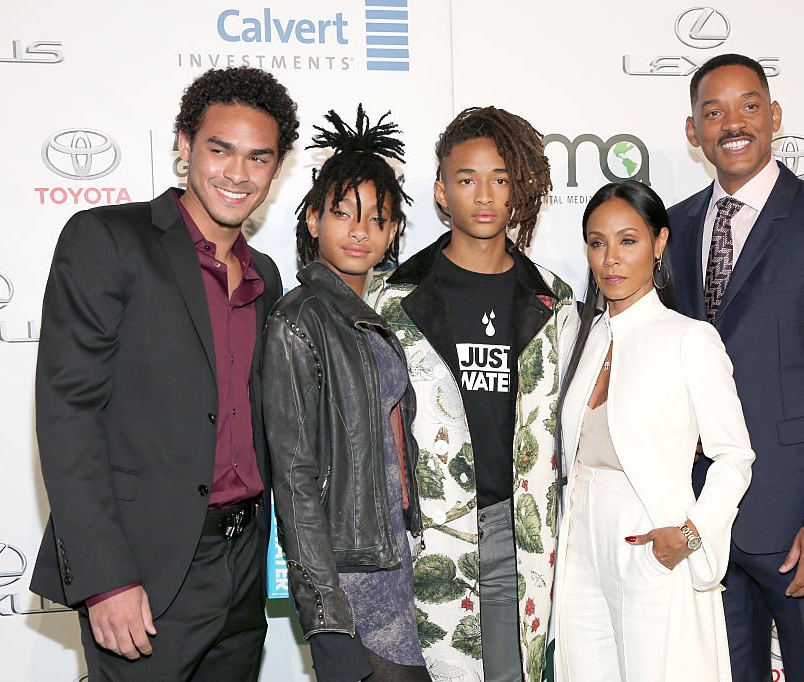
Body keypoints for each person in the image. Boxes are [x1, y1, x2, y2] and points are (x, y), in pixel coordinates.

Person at [30, 66, 298, 681]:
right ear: (183, 144)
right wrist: (105, 578)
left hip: (243, 566)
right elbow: (68, 418)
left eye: (258, 157)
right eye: (219, 149)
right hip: (146, 567)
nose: (237, 173)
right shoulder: (108, 240)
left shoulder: (267, 277)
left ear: (276, 167)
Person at [667, 53, 804, 682]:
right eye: (713, 111)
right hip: (704, 525)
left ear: (775, 117)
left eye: (748, 105)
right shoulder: (673, 228)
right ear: (693, 132)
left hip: (801, 525)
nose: (731, 122)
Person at [369, 106, 577, 682]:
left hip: (525, 536)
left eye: (500, 178)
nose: (484, 195)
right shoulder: (391, 302)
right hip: (426, 541)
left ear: (519, 189)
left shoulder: (555, 302)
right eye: (467, 179)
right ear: (441, 191)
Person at [552, 180, 754, 681]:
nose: (611, 259)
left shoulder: (688, 338)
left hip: (649, 539)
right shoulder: (582, 336)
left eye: (628, 240)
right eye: (597, 243)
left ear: (659, 244)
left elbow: (734, 455)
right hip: (580, 540)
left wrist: (691, 534)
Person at [262, 105, 431, 682]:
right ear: (312, 220)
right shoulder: (299, 320)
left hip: (392, 565)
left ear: (391, 233)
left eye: (376, 219)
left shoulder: (364, 317)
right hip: (350, 580)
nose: (359, 231)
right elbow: (294, 477)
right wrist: (326, 613)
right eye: (342, 213)